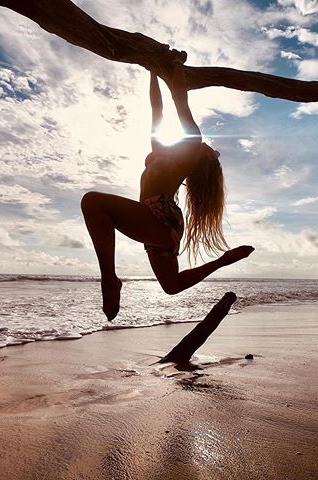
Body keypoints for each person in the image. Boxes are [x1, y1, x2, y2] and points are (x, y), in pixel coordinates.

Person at [81, 50, 254, 321]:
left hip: (160, 216)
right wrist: (152, 69)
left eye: (214, 154)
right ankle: (223, 260)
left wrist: (176, 65)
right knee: (171, 286)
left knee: (92, 202)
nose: (214, 150)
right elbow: (156, 109)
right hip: (157, 219)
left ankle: (109, 280)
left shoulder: (192, 146)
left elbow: (179, 99)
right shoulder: (163, 150)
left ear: (203, 160)